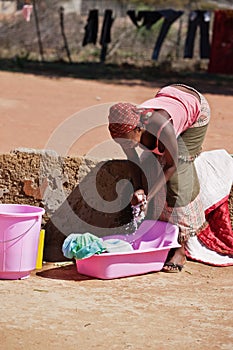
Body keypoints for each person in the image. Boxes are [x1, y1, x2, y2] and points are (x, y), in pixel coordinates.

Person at [108, 83, 210, 272]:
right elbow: (134, 162)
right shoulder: (124, 129)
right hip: (170, 96)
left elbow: (172, 166)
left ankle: (181, 248)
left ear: (138, 129)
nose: (124, 144)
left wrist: (149, 196)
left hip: (195, 108)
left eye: (126, 140)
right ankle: (160, 232)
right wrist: (140, 189)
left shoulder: (162, 126)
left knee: (178, 175)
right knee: (150, 166)